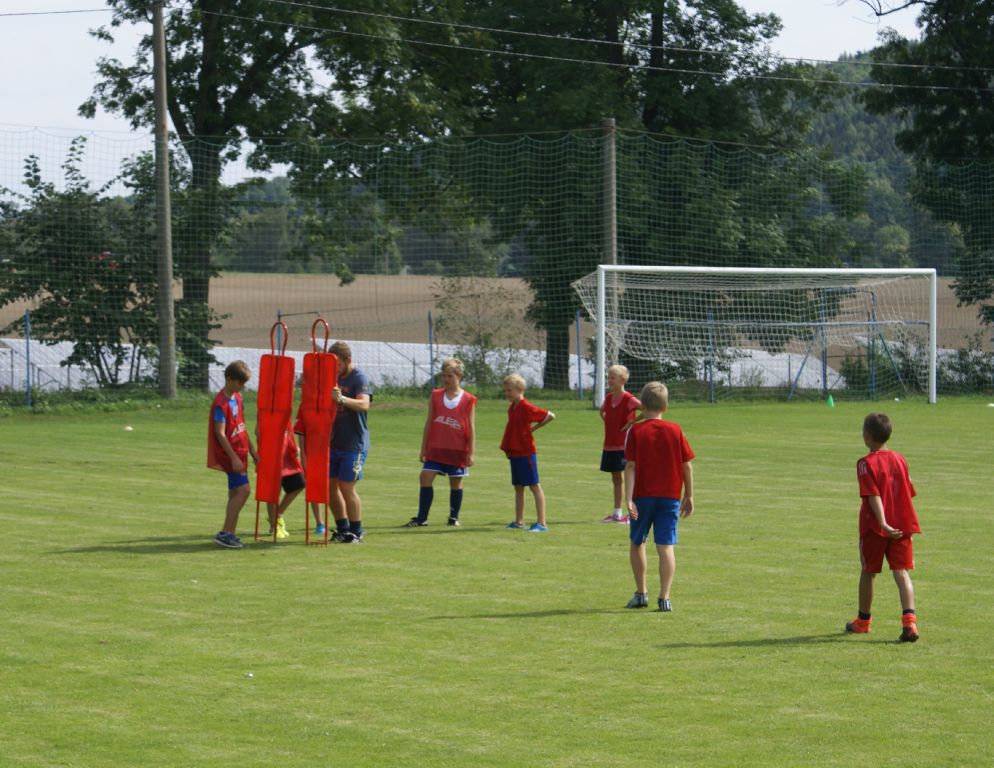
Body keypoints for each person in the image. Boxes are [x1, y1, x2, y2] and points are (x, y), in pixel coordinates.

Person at [845, 412, 922, 642]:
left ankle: (863, 621)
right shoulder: (900, 459)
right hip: (901, 525)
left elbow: (873, 495)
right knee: (902, 572)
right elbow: (909, 490)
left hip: (876, 528)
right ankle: (910, 623)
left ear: (867, 436)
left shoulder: (865, 464)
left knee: (868, 571)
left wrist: (882, 523)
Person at [623, 381, 694, 611]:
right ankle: (665, 597)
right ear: (665, 406)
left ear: (642, 405)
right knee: (665, 546)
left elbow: (630, 466)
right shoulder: (675, 430)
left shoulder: (636, 431)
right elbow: (687, 465)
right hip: (670, 498)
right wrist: (689, 495)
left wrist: (628, 498)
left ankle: (641, 592)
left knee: (637, 543)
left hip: (643, 497)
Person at [405, 358, 477, 528]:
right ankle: (421, 519)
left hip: (457, 449)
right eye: (444, 376)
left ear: (459, 376)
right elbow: (429, 422)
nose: (446, 379)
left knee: (455, 482)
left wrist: (471, 452)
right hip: (436, 448)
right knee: (425, 477)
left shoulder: (468, 399)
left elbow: (471, 426)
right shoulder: (436, 395)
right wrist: (423, 448)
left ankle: (453, 517)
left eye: (450, 376)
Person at [207, 360, 259, 549]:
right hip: (231, 455)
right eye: (240, 382)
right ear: (229, 379)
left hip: (240, 451)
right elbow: (220, 433)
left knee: (235, 493)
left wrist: (252, 451)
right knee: (244, 491)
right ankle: (226, 533)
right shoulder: (220, 404)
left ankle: (228, 533)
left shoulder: (237, 397)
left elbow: (241, 427)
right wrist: (233, 458)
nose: (242, 386)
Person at [500, 373, 555, 532]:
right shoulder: (512, 408)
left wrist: (533, 428)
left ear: (520, 389)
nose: (507, 394)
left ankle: (542, 523)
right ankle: (519, 521)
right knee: (518, 487)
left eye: (509, 390)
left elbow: (550, 415)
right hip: (515, 453)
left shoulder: (526, 407)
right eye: (505, 391)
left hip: (526, 452)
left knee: (534, 486)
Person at [329, 341, 372, 543]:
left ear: (348, 360)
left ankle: (357, 531)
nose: (335, 368)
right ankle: (342, 529)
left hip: (354, 443)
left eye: (337, 364)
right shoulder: (331, 376)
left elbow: (364, 404)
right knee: (329, 486)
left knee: (346, 486)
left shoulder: (358, 377)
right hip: (333, 441)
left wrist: (343, 400)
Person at [599, 364, 641, 524]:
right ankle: (617, 514)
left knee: (630, 478)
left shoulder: (629, 399)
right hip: (609, 445)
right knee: (616, 479)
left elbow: (646, 408)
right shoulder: (609, 397)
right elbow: (602, 411)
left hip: (624, 446)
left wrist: (632, 422)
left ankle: (633, 513)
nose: (609, 380)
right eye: (608, 377)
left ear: (623, 380)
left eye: (613, 377)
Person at [264, 420, 305, 540]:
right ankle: (274, 526)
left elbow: (289, 431)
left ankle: (277, 515)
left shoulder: (286, 413)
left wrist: (294, 446)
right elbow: (258, 431)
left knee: (299, 483)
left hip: (287, 457)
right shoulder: (268, 413)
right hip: (272, 455)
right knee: (274, 492)